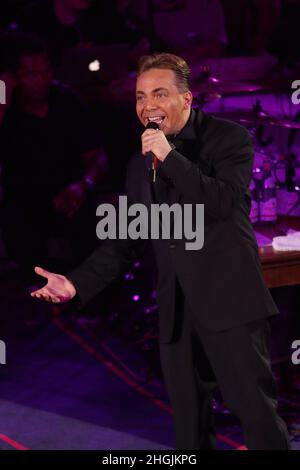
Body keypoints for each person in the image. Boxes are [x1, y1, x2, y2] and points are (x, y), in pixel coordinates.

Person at [31, 53, 290, 450]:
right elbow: (127, 239)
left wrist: (170, 158)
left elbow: (225, 204)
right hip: (176, 312)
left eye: (159, 93)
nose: (147, 105)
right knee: (188, 425)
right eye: (139, 96)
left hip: (230, 304)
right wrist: (75, 283)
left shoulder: (228, 139)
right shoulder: (140, 164)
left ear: (186, 99)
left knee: (254, 412)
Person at [0, 33, 108, 285]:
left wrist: (82, 186)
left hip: (70, 193)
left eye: (45, 71)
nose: (40, 81)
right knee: (15, 223)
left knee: (90, 225)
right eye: (30, 75)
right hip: (25, 200)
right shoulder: (8, 108)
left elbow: (97, 158)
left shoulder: (67, 101)